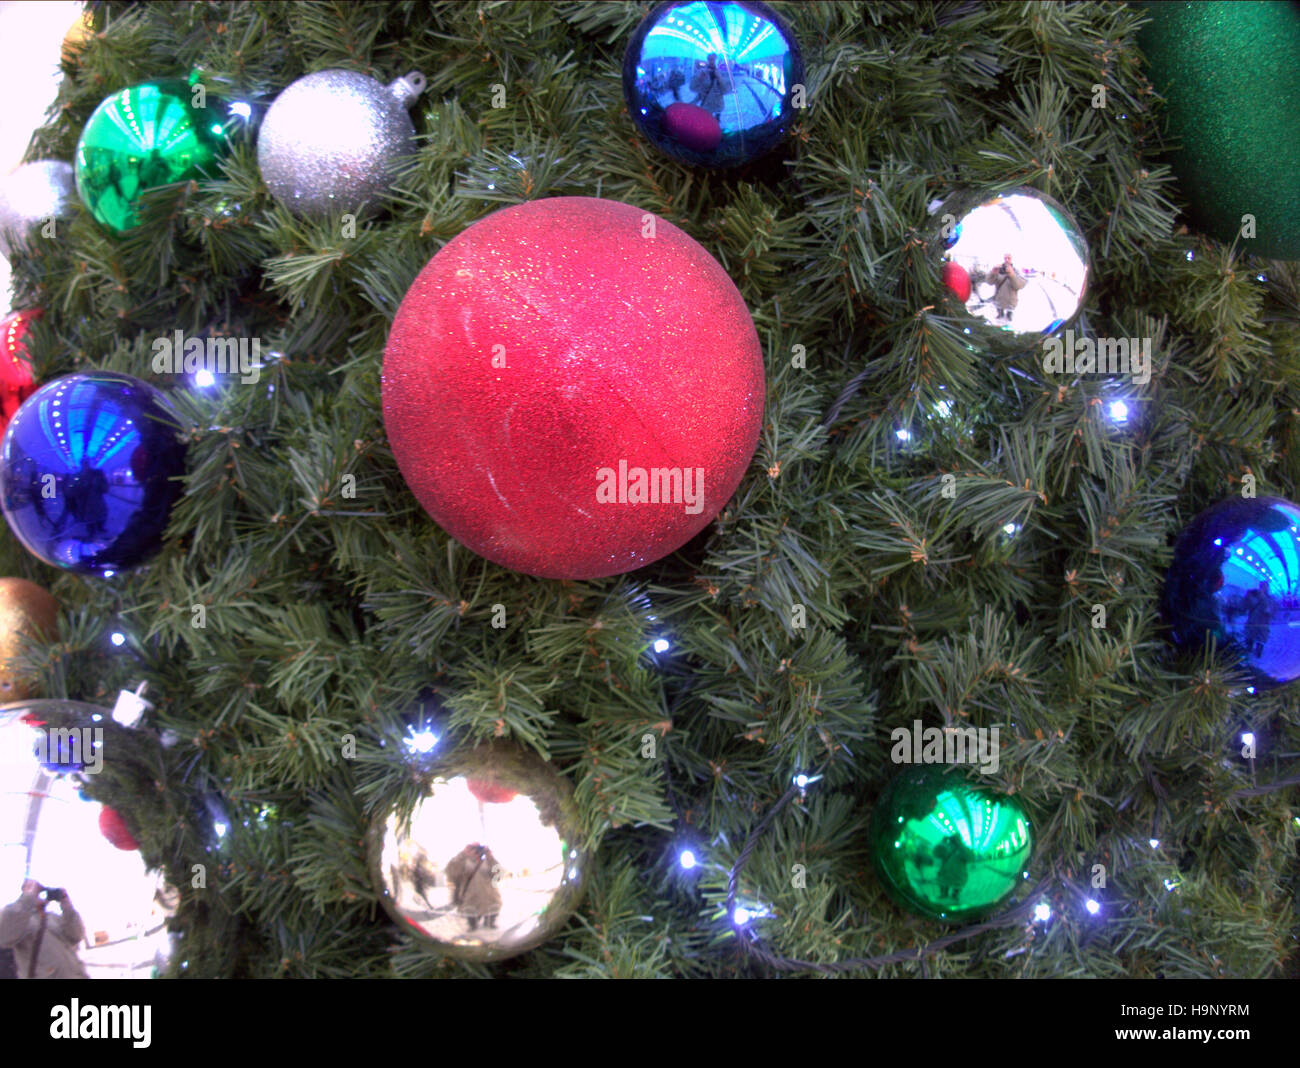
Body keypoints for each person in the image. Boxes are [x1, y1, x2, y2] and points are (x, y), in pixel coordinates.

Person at [0, 879, 89, 979]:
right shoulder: (18, 921)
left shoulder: (53, 918)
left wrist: (67, 908)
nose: (40, 895)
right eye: (37, 892)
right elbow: (4, 936)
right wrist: (29, 896)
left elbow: (76, 936)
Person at [444, 844, 502, 932]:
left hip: (489, 898)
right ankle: (472, 925)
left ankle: (489, 922)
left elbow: (498, 876)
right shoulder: (464, 862)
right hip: (470, 898)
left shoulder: (488, 862)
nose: (477, 851)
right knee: (471, 919)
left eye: (479, 849)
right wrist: (463, 853)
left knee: (491, 916)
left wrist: (490, 857)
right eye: (474, 849)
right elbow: (451, 872)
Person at [986, 253, 1027, 322]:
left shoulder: (1017, 271)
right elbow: (989, 282)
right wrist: (993, 273)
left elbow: (1019, 286)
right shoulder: (999, 270)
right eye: (1005, 258)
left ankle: (1009, 315)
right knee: (999, 314)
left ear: (1012, 259)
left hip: (1011, 300)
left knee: (1009, 315)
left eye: (1009, 258)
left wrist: (1012, 275)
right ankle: (1000, 313)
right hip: (999, 298)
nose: (1007, 260)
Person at [689, 53, 728, 120]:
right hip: (706, 105)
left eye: (714, 59)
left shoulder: (723, 73)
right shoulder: (701, 72)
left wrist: (720, 79)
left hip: (718, 106)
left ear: (718, 61)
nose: (712, 61)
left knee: (716, 123)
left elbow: (725, 91)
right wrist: (699, 78)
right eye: (710, 59)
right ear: (707, 60)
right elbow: (692, 88)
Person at [1242, 580, 1272, 657]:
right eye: (1264, 586)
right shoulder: (1254, 595)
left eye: (1266, 586)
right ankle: (1248, 652)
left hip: (1263, 623)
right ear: (1260, 587)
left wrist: (1270, 611)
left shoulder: (1269, 598)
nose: (1265, 588)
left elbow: (1272, 610)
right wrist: (1249, 596)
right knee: (1250, 639)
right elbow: (1246, 606)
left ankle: (1258, 653)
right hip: (1253, 621)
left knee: (1261, 640)